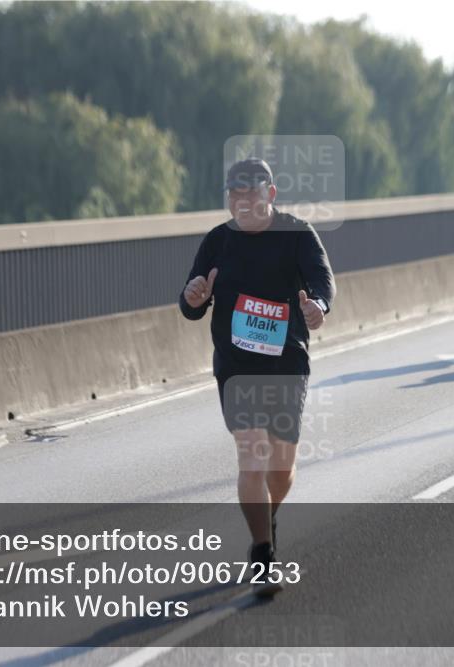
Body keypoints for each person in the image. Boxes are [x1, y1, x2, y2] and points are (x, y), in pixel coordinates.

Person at [179, 157, 335, 597]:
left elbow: (324, 283)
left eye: (252, 193)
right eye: (235, 194)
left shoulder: (298, 234)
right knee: (252, 452)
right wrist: (192, 298)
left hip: (286, 362)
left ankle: (267, 514)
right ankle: (263, 554)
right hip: (236, 366)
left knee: (281, 466)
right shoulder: (218, 242)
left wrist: (317, 307)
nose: (243, 201)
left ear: (271, 193)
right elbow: (192, 300)